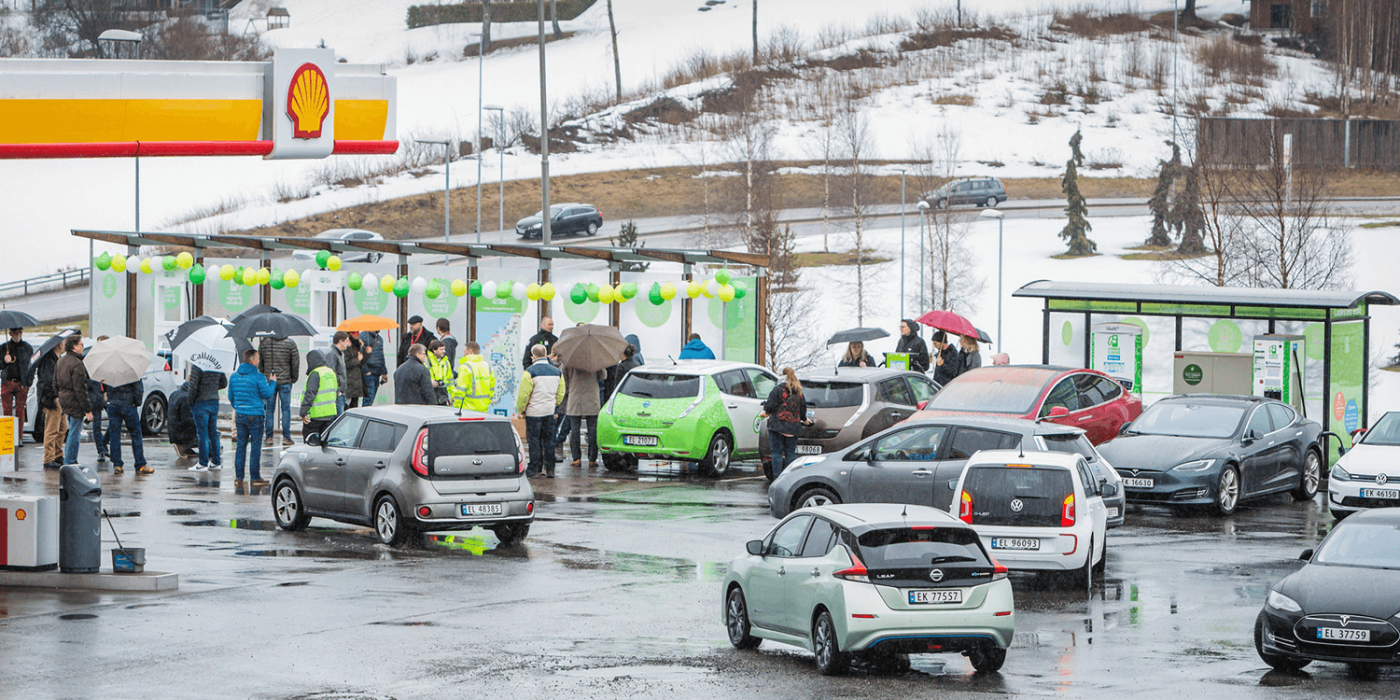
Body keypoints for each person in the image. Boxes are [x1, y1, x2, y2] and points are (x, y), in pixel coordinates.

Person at [515, 344, 565, 478]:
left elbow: (524, 395)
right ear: (546, 355)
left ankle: (534, 469)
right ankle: (550, 469)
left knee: (534, 442)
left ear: (533, 356)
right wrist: (554, 405)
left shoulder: (530, 372)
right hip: (549, 412)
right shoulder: (557, 372)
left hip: (533, 412)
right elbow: (561, 393)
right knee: (549, 441)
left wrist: (521, 410)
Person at [229, 348, 276, 488]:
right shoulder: (258, 376)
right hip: (255, 415)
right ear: (253, 360)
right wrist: (273, 381)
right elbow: (267, 393)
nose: (259, 361)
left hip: (240, 415)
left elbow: (232, 398)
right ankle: (255, 477)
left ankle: (239, 477)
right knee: (255, 446)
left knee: (240, 446)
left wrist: (239, 407)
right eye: (258, 358)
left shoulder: (234, 376)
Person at [760, 368, 812, 480]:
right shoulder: (799, 391)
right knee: (790, 454)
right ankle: (789, 478)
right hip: (793, 428)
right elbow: (802, 410)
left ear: (783, 375)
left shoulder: (777, 389)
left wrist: (764, 413)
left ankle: (777, 479)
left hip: (777, 426)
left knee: (777, 454)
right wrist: (805, 420)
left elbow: (769, 407)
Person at [54, 335, 92, 466]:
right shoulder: (77, 364)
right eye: (81, 344)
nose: (82, 346)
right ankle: (70, 460)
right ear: (74, 347)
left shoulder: (61, 361)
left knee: (71, 428)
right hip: (75, 400)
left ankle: (69, 459)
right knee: (75, 431)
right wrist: (87, 409)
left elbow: (55, 382)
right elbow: (80, 389)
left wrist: (59, 395)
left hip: (64, 399)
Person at [563, 358, 606, 470]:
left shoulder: (569, 359)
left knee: (574, 429)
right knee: (592, 429)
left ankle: (576, 458)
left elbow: (565, 378)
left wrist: (570, 389)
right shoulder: (595, 359)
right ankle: (592, 459)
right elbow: (603, 376)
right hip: (592, 397)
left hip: (575, 396)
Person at [184, 361, 227, 472]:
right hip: (214, 400)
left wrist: (190, 402)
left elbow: (193, 386)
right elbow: (224, 383)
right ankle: (216, 462)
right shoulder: (217, 363)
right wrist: (212, 388)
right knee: (213, 432)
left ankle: (203, 463)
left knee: (202, 434)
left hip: (200, 402)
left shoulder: (198, 364)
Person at [259, 335, 299, 447]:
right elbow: (295, 363)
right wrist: (293, 378)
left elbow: (260, 363)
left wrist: (264, 375)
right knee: (286, 409)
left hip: (269, 380)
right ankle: (286, 437)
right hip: (285, 381)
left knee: (269, 409)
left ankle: (269, 437)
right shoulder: (290, 343)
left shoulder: (264, 343)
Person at [106, 373, 148, 475]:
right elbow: (139, 390)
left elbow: (105, 388)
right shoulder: (131, 370)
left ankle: (117, 465)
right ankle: (140, 464)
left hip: (113, 405)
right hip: (128, 405)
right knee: (136, 434)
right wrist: (137, 402)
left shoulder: (110, 370)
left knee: (114, 435)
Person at [34, 343, 63, 468]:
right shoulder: (48, 360)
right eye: (64, 342)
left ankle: (58, 454)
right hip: (51, 399)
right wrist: (54, 396)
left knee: (62, 428)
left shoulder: (58, 358)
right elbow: (47, 380)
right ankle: (48, 458)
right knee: (52, 429)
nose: (65, 343)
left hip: (60, 398)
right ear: (58, 345)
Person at [1, 327, 34, 435]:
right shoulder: (4, 348)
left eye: (20, 332)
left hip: (22, 383)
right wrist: (5, 361)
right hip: (8, 382)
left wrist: (29, 382)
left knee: (20, 411)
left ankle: (19, 437)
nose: (18, 335)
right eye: (15, 333)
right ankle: (7, 438)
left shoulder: (27, 348)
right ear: (10, 333)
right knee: (7, 412)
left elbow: (31, 365)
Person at [300, 349, 339, 440]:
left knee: (311, 443)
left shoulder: (315, 373)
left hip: (315, 415)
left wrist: (303, 412)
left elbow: (310, 394)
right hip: (329, 414)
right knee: (324, 443)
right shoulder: (330, 372)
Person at [451, 342, 495, 412]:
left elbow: (460, 390)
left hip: (467, 409)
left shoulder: (465, 367)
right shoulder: (487, 367)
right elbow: (491, 388)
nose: (463, 354)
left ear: (470, 351)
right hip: (483, 409)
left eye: (465, 351)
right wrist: (487, 402)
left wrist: (456, 407)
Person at [85, 336, 109, 463]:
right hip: (96, 395)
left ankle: (104, 442)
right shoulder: (90, 360)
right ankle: (100, 450)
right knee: (97, 424)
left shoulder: (110, 360)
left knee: (115, 422)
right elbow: (86, 380)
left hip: (108, 395)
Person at [167, 386, 198, 459]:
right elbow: (187, 420)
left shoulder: (175, 393)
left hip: (172, 431)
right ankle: (183, 446)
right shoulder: (186, 398)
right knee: (211, 446)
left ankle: (185, 447)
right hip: (180, 434)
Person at [358, 330, 388, 406]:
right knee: (368, 399)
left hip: (377, 372)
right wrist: (366, 371)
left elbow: (381, 356)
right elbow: (360, 357)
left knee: (371, 398)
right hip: (368, 373)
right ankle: (365, 415)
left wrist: (384, 372)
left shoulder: (379, 339)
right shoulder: (363, 336)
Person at [328, 331, 351, 415]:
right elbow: (332, 373)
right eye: (346, 341)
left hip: (342, 391)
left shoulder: (340, 353)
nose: (347, 344)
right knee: (337, 421)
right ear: (340, 341)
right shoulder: (332, 353)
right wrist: (338, 390)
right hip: (338, 393)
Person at [427, 340, 454, 406]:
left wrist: (453, 396)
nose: (444, 351)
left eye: (444, 349)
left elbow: (450, 381)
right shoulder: (426, 360)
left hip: (443, 396)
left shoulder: (446, 362)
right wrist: (430, 382)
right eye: (441, 349)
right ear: (434, 350)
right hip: (429, 395)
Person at [344, 335, 366, 409]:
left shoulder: (356, 345)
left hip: (356, 381)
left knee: (354, 404)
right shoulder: (345, 348)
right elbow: (346, 363)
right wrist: (357, 359)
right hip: (350, 381)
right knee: (348, 405)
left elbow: (362, 360)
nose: (357, 334)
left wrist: (363, 349)